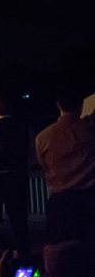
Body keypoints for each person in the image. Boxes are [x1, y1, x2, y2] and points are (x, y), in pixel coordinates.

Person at [35, 85, 95, 245]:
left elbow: (43, 167)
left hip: (60, 202)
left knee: (62, 251)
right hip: (89, 198)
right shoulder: (90, 128)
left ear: (58, 105)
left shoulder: (43, 137)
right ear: (81, 105)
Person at [0, 95, 31, 255]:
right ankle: (23, 255)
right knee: (19, 222)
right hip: (18, 178)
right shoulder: (23, 127)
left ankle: (0, 250)